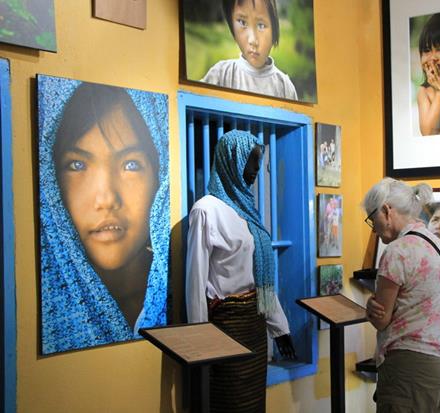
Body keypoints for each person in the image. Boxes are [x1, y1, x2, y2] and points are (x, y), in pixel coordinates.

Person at [40, 80, 169, 354]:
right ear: (50, 180)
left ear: (161, 175)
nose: (106, 199)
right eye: (77, 165)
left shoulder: (179, 289)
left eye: (131, 165)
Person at [185, 129, 295, 412]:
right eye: (252, 161)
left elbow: (262, 281)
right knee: (227, 401)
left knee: (253, 403)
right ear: (232, 161)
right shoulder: (206, 210)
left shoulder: (247, 212)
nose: (257, 170)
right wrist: (200, 341)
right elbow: (195, 282)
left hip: (254, 328)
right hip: (226, 328)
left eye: (259, 162)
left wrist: (280, 328)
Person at [363, 178, 440, 412]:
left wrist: (369, 306)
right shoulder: (438, 245)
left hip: (408, 368)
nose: (373, 229)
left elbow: (381, 319)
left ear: (386, 210)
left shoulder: (397, 251)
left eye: (372, 219)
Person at [201, 0, 298, 100]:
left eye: (261, 25)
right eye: (243, 23)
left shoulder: (285, 87)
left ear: (274, 29)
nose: (253, 40)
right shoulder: (221, 75)